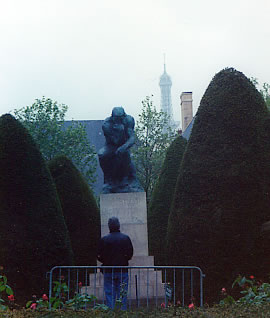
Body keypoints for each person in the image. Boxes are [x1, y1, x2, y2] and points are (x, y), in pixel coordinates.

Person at [98, 107, 143, 193]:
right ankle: (108, 179)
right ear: (113, 117)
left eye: (121, 118)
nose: (119, 120)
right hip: (111, 145)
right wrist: (121, 129)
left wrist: (125, 146)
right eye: (117, 119)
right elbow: (116, 141)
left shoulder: (129, 120)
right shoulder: (106, 124)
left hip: (124, 145)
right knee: (101, 154)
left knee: (123, 153)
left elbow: (132, 138)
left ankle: (126, 179)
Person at [97, 217, 133, 309]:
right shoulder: (125, 238)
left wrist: (105, 261)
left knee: (110, 294)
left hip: (108, 270)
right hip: (122, 269)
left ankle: (111, 312)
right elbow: (130, 254)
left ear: (109, 226)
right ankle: (122, 312)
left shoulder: (104, 239)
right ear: (119, 225)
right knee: (122, 294)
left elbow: (98, 255)